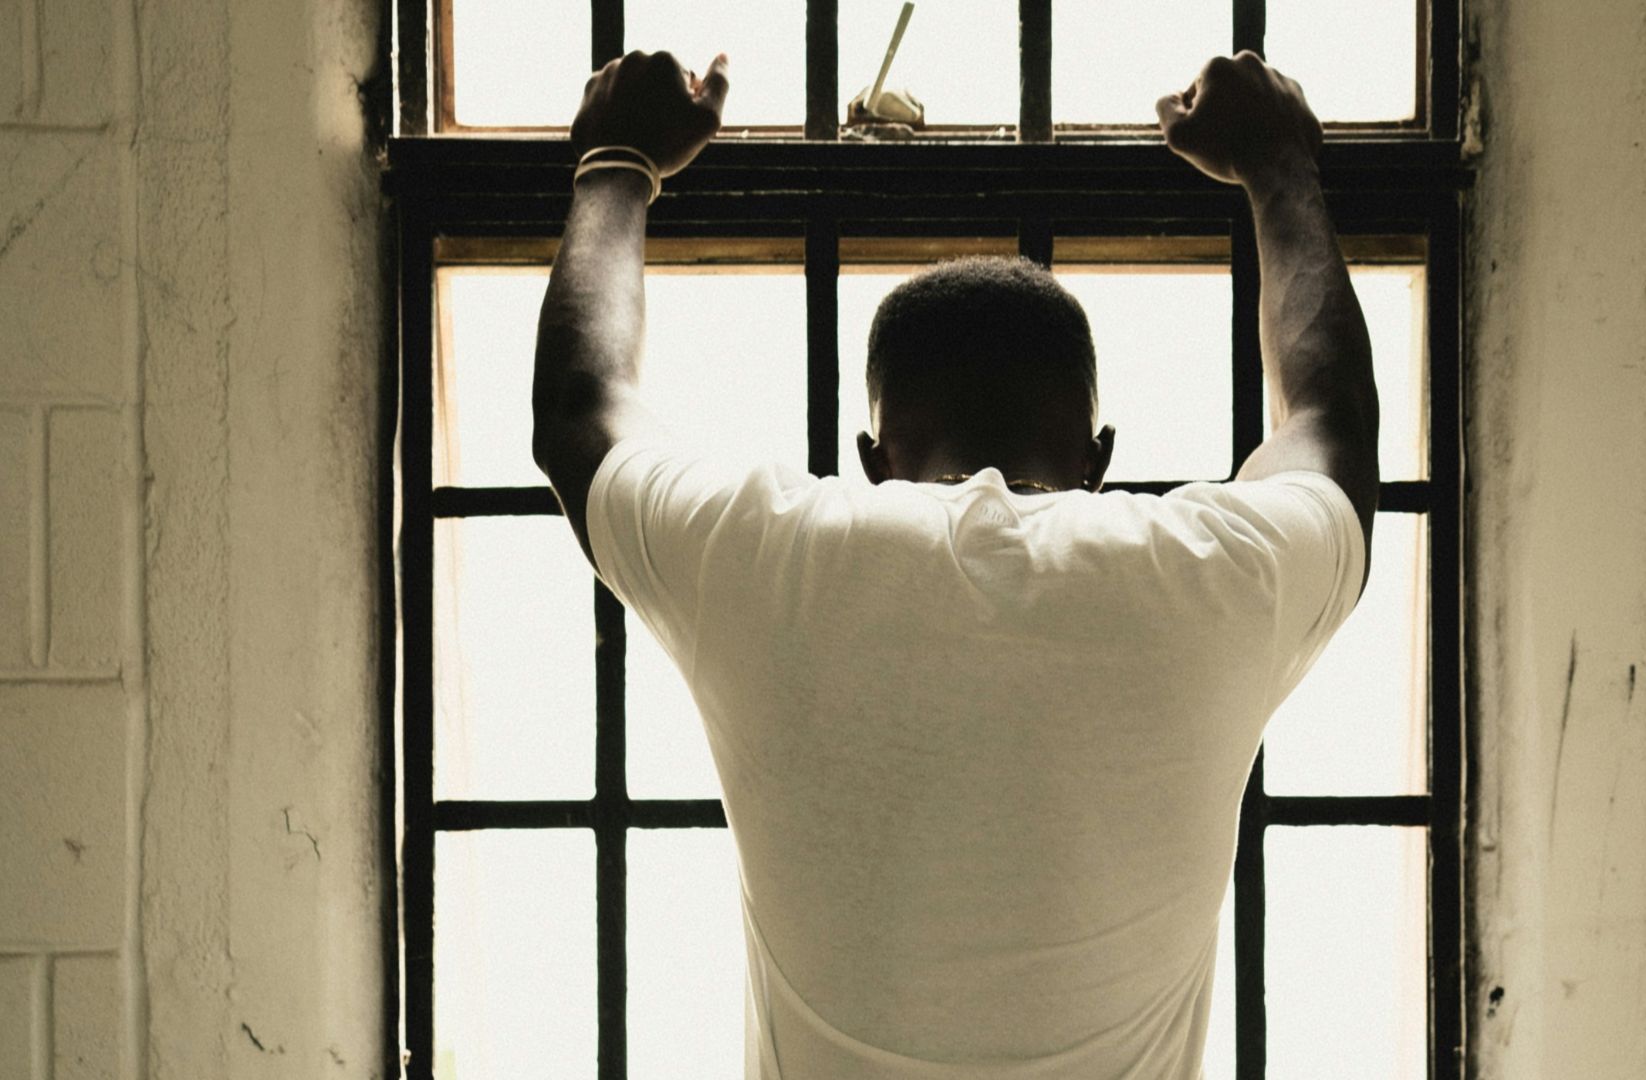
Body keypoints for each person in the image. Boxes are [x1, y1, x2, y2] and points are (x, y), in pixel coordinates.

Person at [531, 47, 1378, 1080]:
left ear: (871, 458)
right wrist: (1281, 166)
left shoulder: (774, 554)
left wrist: (617, 161)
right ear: (1098, 459)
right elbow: (1332, 425)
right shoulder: (1207, 573)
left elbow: (580, 410)